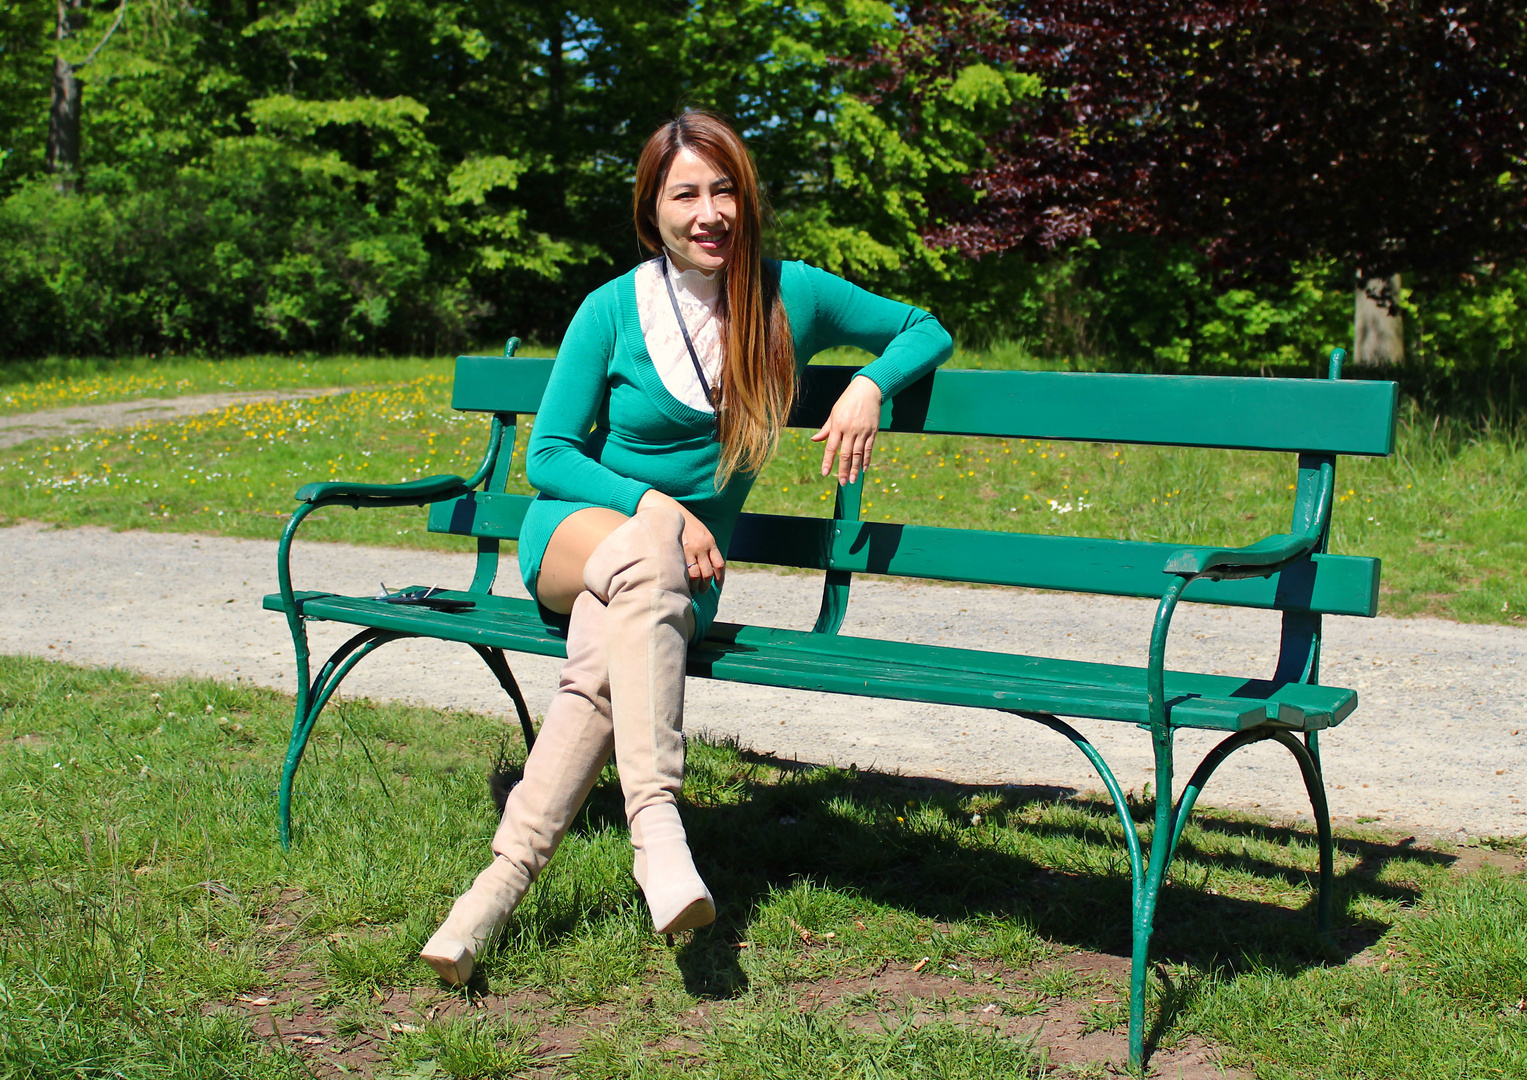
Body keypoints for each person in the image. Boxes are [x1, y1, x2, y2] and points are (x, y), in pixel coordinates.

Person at [420, 110, 952, 984]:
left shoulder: (791, 296)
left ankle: (494, 889)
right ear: (652, 210)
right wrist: (657, 505)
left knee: (603, 657)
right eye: (686, 194)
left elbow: (924, 328)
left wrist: (865, 384)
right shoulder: (610, 309)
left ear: (745, 199)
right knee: (645, 556)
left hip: (676, 581)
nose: (709, 212)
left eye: (724, 190)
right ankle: (656, 824)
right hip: (576, 539)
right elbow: (547, 455)